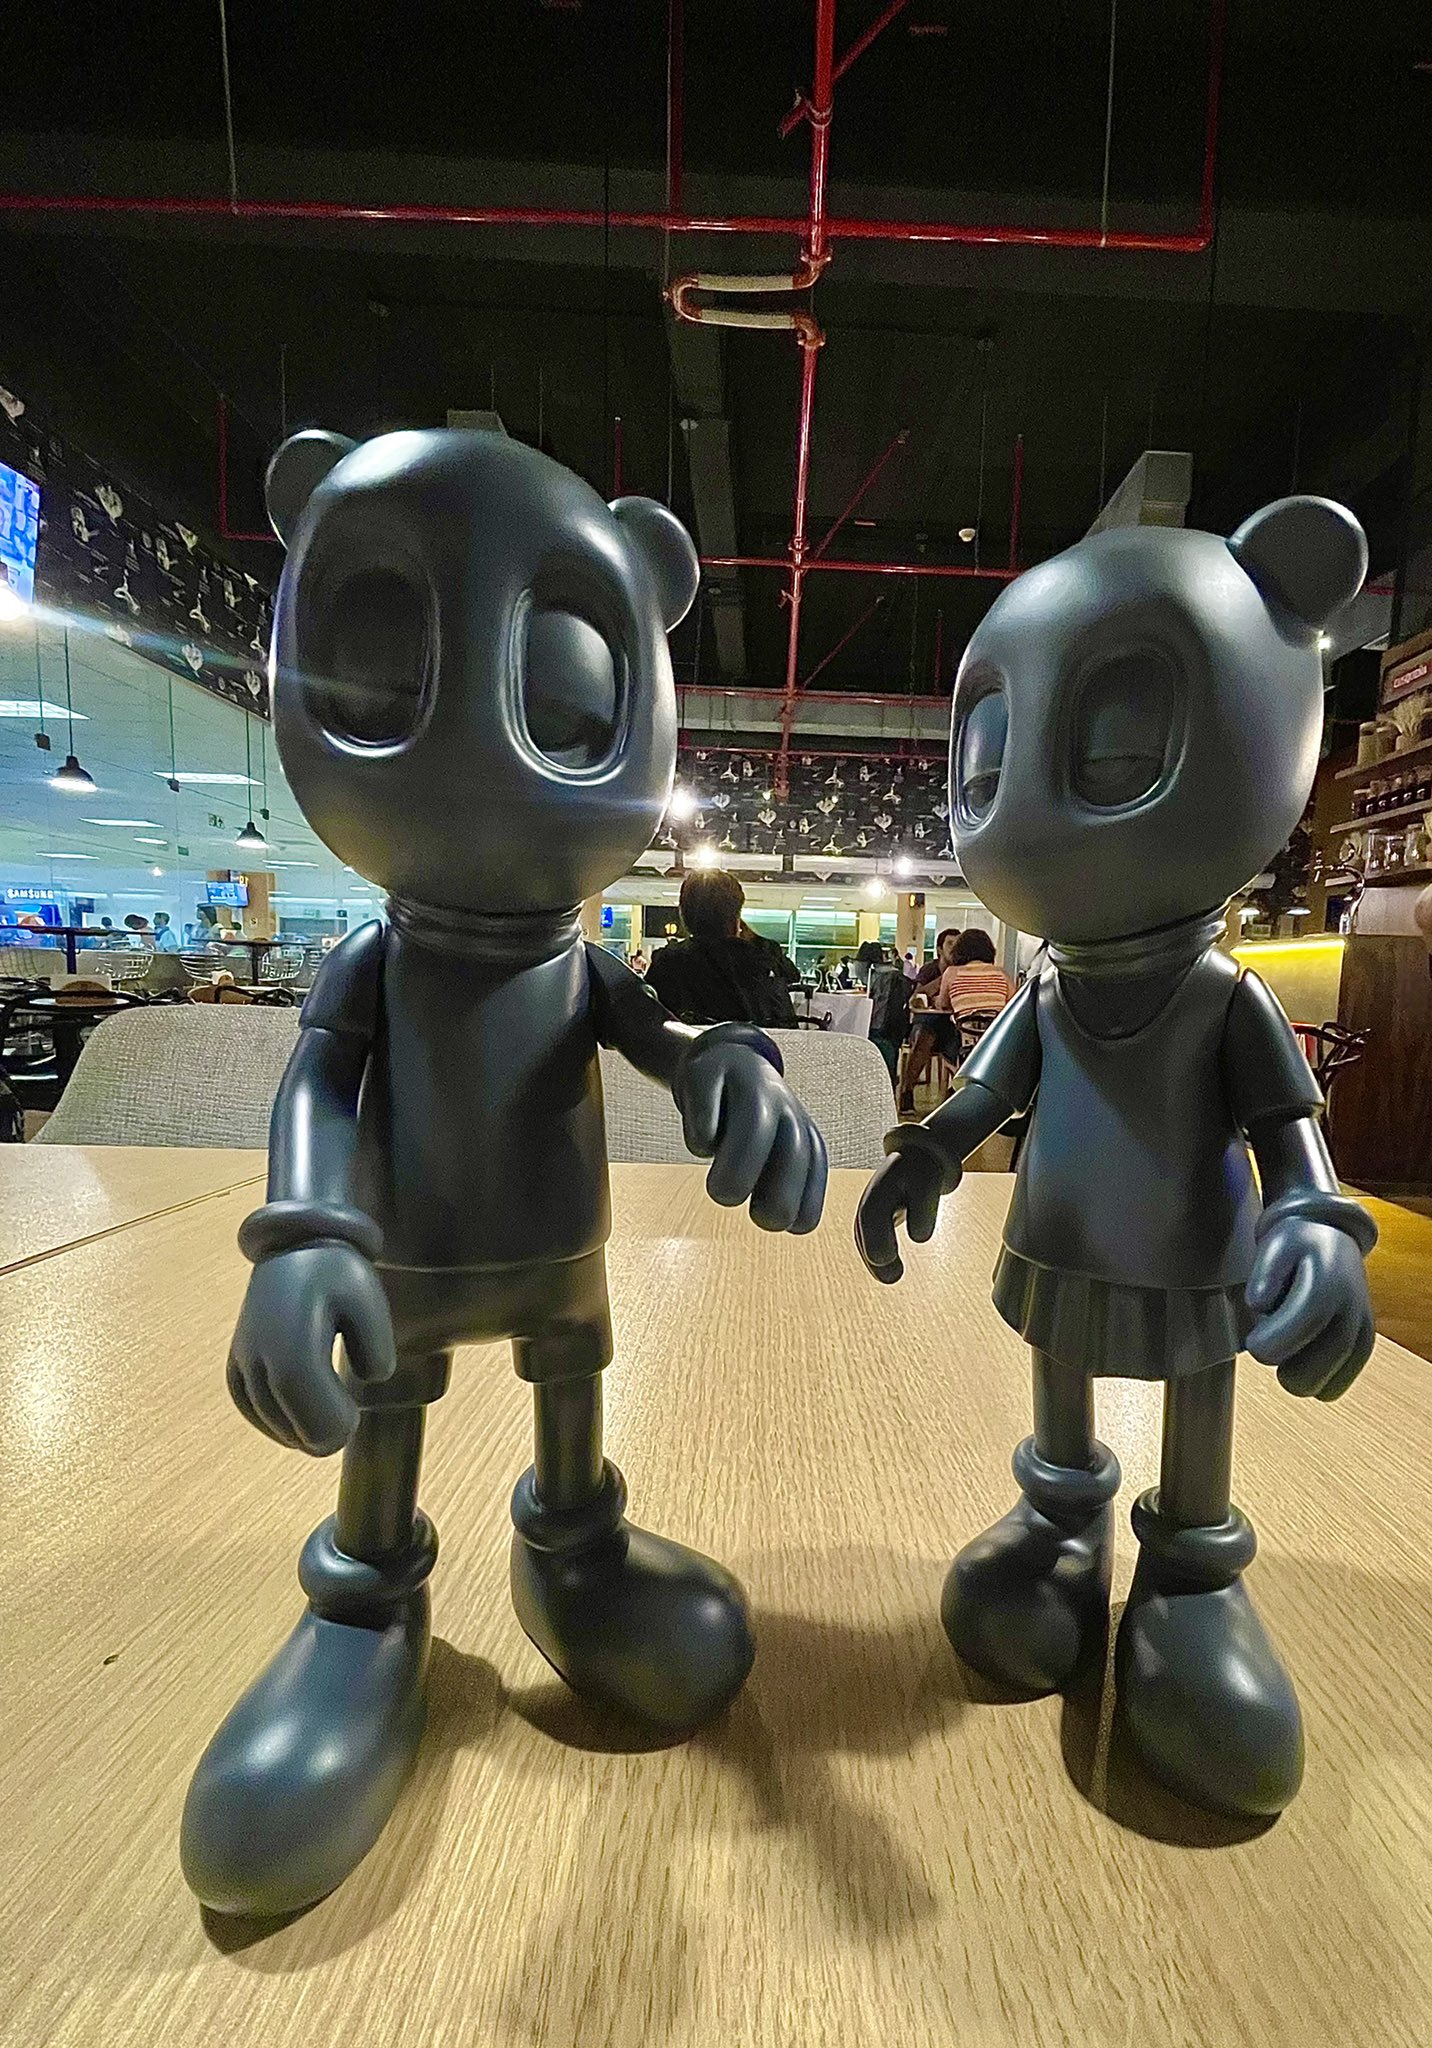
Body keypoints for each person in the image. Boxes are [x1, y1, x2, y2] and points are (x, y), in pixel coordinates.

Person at [645, 871, 800, 1027]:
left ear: (684, 914)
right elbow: (793, 976)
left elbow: (646, 1021)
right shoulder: (762, 958)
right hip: (755, 1042)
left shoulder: (668, 961)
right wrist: (755, 938)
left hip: (691, 1043)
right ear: (737, 918)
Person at [897, 928, 961, 1112]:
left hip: (950, 1024)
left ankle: (955, 1092)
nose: (954, 948)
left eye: (958, 944)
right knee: (924, 1036)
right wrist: (943, 980)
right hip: (925, 1022)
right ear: (939, 949)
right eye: (950, 944)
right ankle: (907, 1091)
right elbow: (916, 997)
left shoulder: (962, 971)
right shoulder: (929, 970)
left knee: (961, 1042)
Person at [932, 927, 1014, 1026]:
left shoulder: (951, 973)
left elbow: (943, 1004)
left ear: (958, 951)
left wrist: (935, 1001)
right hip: (995, 1030)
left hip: (966, 1030)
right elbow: (1013, 1003)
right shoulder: (1001, 973)